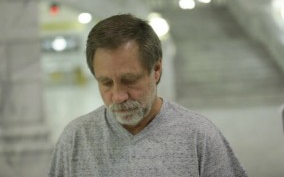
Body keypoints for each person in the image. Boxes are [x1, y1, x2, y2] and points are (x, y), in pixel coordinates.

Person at [49, 14, 248, 177]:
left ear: (156, 69)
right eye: (106, 83)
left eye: (129, 80)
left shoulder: (199, 137)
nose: (118, 96)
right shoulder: (75, 139)